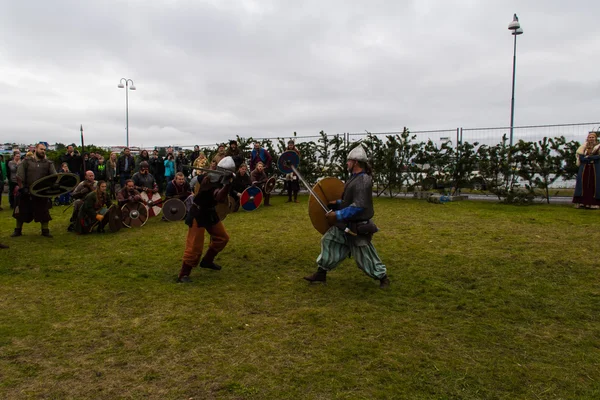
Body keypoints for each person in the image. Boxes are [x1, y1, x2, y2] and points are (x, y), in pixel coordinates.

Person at [303, 145, 390, 289]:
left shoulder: (363, 180)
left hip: (357, 226)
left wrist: (337, 214)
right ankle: (321, 273)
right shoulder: (353, 178)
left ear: (355, 162)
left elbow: (359, 206)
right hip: (345, 223)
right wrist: (337, 203)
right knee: (328, 240)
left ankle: (382, 277)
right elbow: (349, 201)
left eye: (349, 161)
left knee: (365, 257)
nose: (347, 163)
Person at [177, 156, 235, 283]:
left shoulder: (223, 180)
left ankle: (207, 261)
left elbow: (223, 197)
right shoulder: (209, 179)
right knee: (195, 246)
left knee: (222, 238)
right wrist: (227, 185)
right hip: (198, 212)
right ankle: (183, 274)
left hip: (210, 212)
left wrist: (227, 183)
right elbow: (219, 196)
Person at [11, 143, 57, 238]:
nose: (43, 151)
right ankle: (18, 230)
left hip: (41, 192)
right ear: (36, 149)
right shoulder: (26, 161)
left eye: (44, 150)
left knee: (44, 212)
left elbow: (54, 177)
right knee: (21, 212)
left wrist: (52, 186)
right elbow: (19, 175)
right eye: (41, 149)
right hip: (26, 191)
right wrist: (22, 188)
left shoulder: (48, 163)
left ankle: (45, 230)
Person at [573, 132, 600, 209]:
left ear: (595, 138)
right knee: (583, 184)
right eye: (590, 137)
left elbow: (598, 157)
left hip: (595, 168)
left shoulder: (598, 147)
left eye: (593, 137)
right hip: (585, 168)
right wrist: (588, 158)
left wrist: (589, 157)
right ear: (587, 138)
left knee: (594, 185)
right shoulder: (583, 147)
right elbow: (581, 157)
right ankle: (582, 202)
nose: (591, 139)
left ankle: (594, 203)